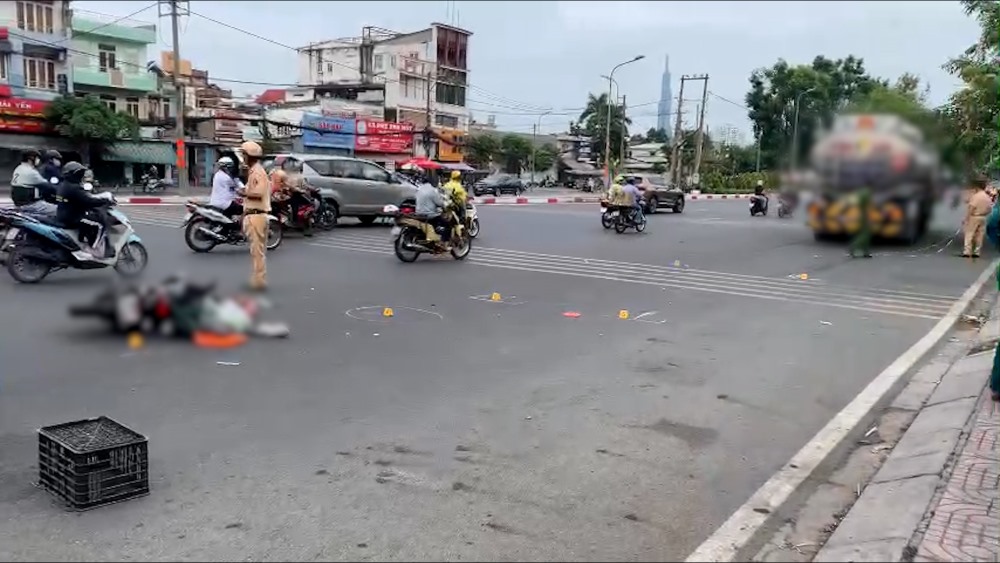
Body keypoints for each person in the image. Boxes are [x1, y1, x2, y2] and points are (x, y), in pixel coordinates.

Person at [55, 161, 115, 258]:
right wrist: (104, 201)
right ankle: (93, 249)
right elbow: (88, 200)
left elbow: (83, 198)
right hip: (73, 217)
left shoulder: (64, 185)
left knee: (91, 218)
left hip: (64, 214)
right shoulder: (74, 188)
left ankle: (82, 240)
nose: (82, 176)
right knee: (99, 224)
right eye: (80, 173)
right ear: (74, 174)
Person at [237, 141, 271, 291]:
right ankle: (257, 279)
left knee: (257, 251)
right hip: (253, 214)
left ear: (249, 156)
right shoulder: (253, 171)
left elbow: (258, 193)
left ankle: (259, 281)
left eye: (244, 154)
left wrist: (244, 192)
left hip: (257, 216)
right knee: (256, 251)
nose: (242, 157)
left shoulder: (257, 172)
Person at [11, 149, 58, 220]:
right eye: (37, 158)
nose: (38, 160)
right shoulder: (30, 172)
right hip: (31, 205)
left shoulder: (18, 168)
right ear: (30, 159)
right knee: (59, 210)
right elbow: (47, 186)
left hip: (19, 204)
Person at [962, 175, 992, 258]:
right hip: (983, 217)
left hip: (974, 216)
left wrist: (966, 218)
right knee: (979, 235)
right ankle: (977, 251)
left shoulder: (976, 196)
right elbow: (989, 209)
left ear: (976, 186)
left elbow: (971, 208)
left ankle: (967, 251)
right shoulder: (987, 197)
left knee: (970, 234)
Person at [415, 170, 449, 242]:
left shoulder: (419, 189)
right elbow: (440, 203)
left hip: (418, 213)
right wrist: (445, 207)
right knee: (447, 224)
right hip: (430, 215)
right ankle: (443, 243)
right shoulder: (432, 190)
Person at [209, 156, 244, 224]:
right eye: (230, 167)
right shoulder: (226, 178)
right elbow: (238, 190)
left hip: (217, 201)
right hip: (224, 203)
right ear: (225, 167)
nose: (231, 169)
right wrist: (245, 193)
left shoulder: (218, 174)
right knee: (243, 209)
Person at [849, 186, 873, 258]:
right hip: (864, 215)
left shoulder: (861, 192)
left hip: (861, 214)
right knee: (865, 235)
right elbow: (866, 204)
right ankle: (854, 247)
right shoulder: (866, 193)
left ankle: (866, 251)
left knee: (866, 234)